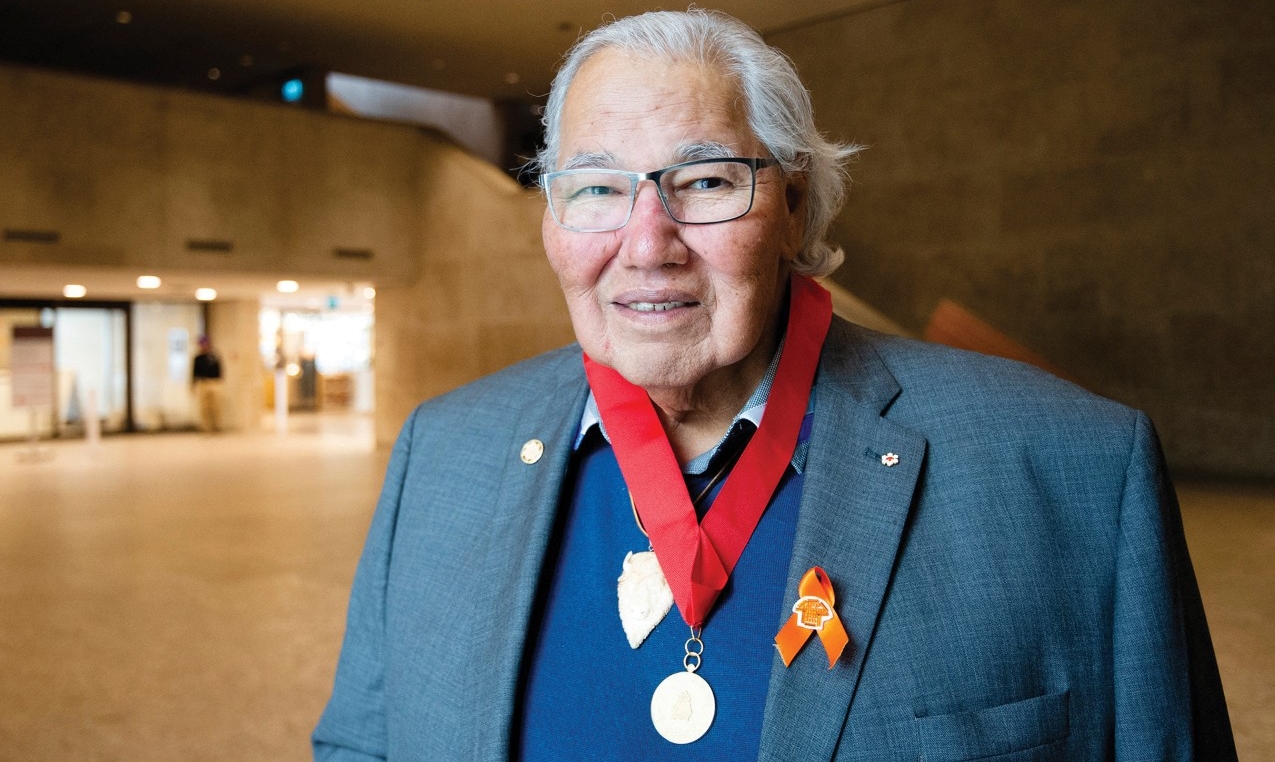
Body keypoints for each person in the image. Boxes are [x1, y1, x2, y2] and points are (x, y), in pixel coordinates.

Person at [313, 9, 1235, 761]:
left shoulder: (1070, 468)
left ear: (793, 204)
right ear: (552, 215)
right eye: (594, 188)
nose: (646, 244)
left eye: (706, 180)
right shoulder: (443, 451)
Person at [191, 335, 222, 432]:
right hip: (203, 383)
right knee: (204, 407)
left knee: (216, 406)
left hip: (214, 383)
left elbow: (220, 370)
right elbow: (194, 372)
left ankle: (216, 426)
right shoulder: (198, 358)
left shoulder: (214, 356)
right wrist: (193, 385)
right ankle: (206, 427)